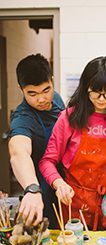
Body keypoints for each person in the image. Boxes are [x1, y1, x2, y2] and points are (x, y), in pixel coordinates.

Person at [39, 56, 106, 230]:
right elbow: (47, 161)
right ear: (86, 88)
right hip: (74, 203)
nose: (101, 98)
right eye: (95, 92)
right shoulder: (70, 117)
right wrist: (59, 183)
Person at [9, 54, 65, 227]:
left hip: (66, 184)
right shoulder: (23, 117)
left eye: (46, 90)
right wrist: (32, 189)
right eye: (32, 93)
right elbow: (18, 151)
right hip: (43, 193)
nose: (41, 99)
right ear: (21, 89)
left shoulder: (56, 98)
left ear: (52, 81)